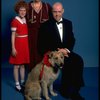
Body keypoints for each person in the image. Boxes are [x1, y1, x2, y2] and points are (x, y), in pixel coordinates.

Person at [37, 2, 85, 100]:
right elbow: (40, 45)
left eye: (59, 11)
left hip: (65, 52)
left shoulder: (68, 23)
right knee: (68, 64)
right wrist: (55, 53)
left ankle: (76, 89)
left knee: (79, 60)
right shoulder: (45, 25)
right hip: (53, 55)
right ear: (52, 12)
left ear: (63, 11)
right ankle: (65, 90)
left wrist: (66, 50)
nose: (57, 14)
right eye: (55, 12)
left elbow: (72, 39)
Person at [9, 1, 29, 92]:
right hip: (18, 45)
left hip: (24, 44)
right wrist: (13, 48)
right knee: (16, 65)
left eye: (24, 10)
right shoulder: (15, 21)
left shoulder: (25, 20)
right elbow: (13, 35)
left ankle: (22, 82)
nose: (23, 12)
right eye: (21, 10)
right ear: (17, 10)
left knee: (23, 65)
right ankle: (17, 84)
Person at [26, 0, 52, 70]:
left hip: (44, 35)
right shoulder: (27, 6)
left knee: (42, 53)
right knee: (32, 54)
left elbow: (53, 19)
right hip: (31, 36)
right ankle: (31, 74)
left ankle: (43, 74)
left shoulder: (47, 6)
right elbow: (22, 20)